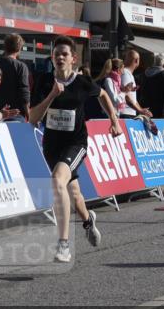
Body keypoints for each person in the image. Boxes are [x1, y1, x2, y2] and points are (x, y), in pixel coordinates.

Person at [30, 37, 122, 263]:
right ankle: (88, 220)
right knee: (74, 194)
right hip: (51, 145)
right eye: (56, 54)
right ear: (52, 59)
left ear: (73, 59)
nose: (59, 57)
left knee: (57, 180)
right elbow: (32, 119)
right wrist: (52, 95)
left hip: (76, 143)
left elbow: (102, 95)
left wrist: (114, 120)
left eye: (64, 54)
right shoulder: (43, 82)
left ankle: (63, 245)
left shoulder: (82, 82)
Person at [0, 34, 31, 120]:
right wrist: (28, 113)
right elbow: (24, 91)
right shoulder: (21, 66)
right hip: (15, 114)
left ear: (5, 47)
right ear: (19, 48)